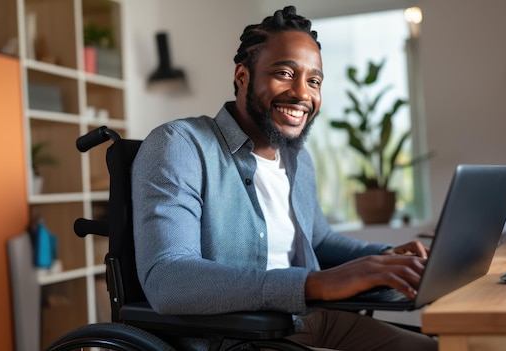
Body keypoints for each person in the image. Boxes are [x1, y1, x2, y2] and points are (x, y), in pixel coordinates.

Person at [131, 6, 437, 351]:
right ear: (243, 76)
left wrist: (387, 259)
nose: (302, 94)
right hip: (241, 337)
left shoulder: (297, 158)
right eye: (285, 73)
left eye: (314, 81)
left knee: (438, 348)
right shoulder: (181, 146)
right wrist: (312, 284)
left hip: (310, 319)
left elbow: (317, 241)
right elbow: (168, 280)